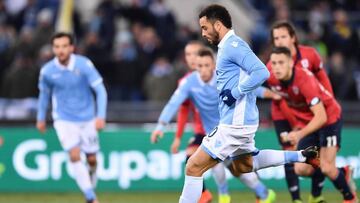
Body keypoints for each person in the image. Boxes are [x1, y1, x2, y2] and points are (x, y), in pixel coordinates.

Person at [154, 4, 319, 203]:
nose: (203, 33)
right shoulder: (227, 47)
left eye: (205, 28)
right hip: (240, 121)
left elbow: (261, 72)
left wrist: (234, 93)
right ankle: (302, 156)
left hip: (234, 123)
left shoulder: (233, 45)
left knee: (193, 166)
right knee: (244, 166)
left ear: (218, 25)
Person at [153, 47, 276, 203]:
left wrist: (270, 94)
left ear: (213, 65)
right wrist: (160, 126)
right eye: (200, 66)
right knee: (196, 157)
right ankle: (217, 196)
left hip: (230, 130)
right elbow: (173, 103)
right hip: (210, 133)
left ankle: (262, 193)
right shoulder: (188, 83)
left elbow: (251, 88)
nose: (203, 70)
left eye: (207, 65)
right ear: (195, 67)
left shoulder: (223, 78)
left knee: (237, 169)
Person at [262, 46, 357, 203]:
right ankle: (342, 172)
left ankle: (350, 198)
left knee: (326, 167)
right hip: (310, 120)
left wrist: (298, 133)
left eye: (281, 63)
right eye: (274, 63)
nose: (277, 67)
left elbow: (321, 116)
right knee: (301, 168)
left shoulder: (304, 80)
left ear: (291, 63)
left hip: (329, 117)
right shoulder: (271, 76)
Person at [265, 21, 334, 203]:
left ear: (293, 38)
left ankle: (316, 195)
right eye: (276, 38)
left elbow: (323, 83)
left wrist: (328, 107)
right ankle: (296, 199)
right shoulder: (272, 66)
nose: (279, 41)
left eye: (283, 37)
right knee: (287, 152)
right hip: (282, 113)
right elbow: (267, 91)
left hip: (309, 115)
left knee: (313, 155)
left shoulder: (310, 55)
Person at [36, 32, 107, 203]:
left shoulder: (84, 65)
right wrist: (40, 117)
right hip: (63, 119)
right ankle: (91, 197)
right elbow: (44, 95)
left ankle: (90, 186)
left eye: (64, 46)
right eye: (57, 47)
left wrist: (101, 115)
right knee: (74, 154)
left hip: (87, 118)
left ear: (72, 48)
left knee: (92, 160)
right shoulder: (47, 71)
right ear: (53, 49)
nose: (60, 50)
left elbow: (100, 90)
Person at [171, 41, 229, 203]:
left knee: (241, 167)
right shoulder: (186, 82)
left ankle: (258, 191)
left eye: (194, 54)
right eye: (187, 54)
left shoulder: (219, 77)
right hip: (201, 131)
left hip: (222, 129)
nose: (191, 58)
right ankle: (205, 195)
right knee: (191, 158)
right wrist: (177, 137)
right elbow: (183, 110)